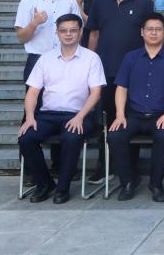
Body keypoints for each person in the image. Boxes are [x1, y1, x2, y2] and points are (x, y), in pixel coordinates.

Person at [18, 14, 104, 204]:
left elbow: (96, 93)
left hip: (79, 115)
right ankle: (44, 184)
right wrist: (30, 117)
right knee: (26, 137)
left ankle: (62, 189)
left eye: (73, 30)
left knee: (71, 137)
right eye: (63, 31)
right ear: (56, 32)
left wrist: (80, 117)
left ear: (80, 33)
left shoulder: (91, 58)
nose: (68, 34)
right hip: (48, 115)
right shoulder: (45, 59)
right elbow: (32, 92)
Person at [107, 13, 164, 202]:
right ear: (142, 32)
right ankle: (128, 182)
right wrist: (120, 115)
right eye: (150, 29)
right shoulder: (131, 57)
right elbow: (121, 87)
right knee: (115, 136)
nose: (153, 33)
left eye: (158, 29)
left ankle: (156, 184)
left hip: (161, 115)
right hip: (133, 116)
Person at [86, 0, 154, 177]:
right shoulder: (100, 1)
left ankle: (130, 166)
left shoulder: (144, 2)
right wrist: (89, 63)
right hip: (106, 70)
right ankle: (104, 163)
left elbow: (150, 35)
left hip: (136, 73)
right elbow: (94, 34)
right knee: (106, 118)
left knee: (131, 118)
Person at [16, 0, 82, 87]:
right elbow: (22, 38)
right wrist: (35, 23)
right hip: (37, 59)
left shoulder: (69, 1)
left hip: (66, 59)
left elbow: (80, 31)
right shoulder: (27, 2)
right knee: (35, 98)